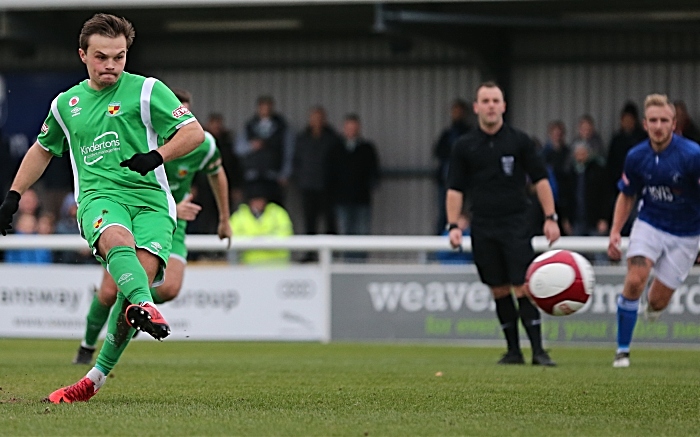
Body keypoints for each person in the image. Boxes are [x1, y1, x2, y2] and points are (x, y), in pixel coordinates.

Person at [0, 13, 205, 403]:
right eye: (101, 57)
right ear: (83, 55)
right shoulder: (67, 104)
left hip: (151, 203)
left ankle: (95, 377)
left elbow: (192, 132)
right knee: (117, 242)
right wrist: (13, 195)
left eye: (119, 57)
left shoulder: (147, 91)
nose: (110, 65)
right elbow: (42, 150)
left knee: (133, 283)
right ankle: (143, 307)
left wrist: (156, 156)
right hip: (99, 197)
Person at [72, 88, 232, 366]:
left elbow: (217, 173)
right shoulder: (141, 137)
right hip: (132, 216)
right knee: (109, 292)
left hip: (173, 222)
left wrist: (225, 219)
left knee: (169, 289)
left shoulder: (201, 144)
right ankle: (86, 347)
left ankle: (135, 308)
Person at [445, 81, 560, 366]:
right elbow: (455, 188)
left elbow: (540, 179)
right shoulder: (464, 146)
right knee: (498, 287)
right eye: (485, 101)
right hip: (483, 225)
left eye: (496, 100)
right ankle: (513, 351)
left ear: (504, 106)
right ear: (476, 107)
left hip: (516, 223)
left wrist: (550, 217)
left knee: (523, 286)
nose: (491, 106)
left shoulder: (520, 141)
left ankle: (539, 351)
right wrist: (453, 226)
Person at [608, 94, 700, 368]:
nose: (658, 125)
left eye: (664, 120)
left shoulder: (692, 156)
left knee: (657, 301)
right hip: (650, 224)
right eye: (653, 120)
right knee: (635, 279)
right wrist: (615, 231)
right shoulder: (636, 157)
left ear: (674, 123)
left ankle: (651, 307)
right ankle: (622, 351)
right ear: (644, 124)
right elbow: (627, 195)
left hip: (687, 234)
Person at [235, 95, 294, 206]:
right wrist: (252, 146)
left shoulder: (282, 126)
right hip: (253, 175)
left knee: (274, 207)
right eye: (263, 107)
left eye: (268, 107)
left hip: (273, 175)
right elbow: (238, 149)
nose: (265, 110)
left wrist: (285, 173)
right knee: (254, 208)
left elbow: (289, 151)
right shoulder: (250, 125)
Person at [328, 114, 380, 237]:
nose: (351, 131)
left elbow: (374, 170)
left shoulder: (367, 148)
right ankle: (347, 257)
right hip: (342, 198)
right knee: (345, 231)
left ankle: (361, 257)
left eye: (354, 128)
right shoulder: (335, 149)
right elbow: (329, 172)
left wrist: (371, 185)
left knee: (362, 231)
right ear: (344, 128)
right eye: (349, 127)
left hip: (362, 198)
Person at [293, 106, 340, 239]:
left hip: (328, 187)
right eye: (314, 118)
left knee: (330, 221)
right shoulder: (302, 138)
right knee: (310, 221)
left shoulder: (332, 139)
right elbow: (296, 160)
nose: (317, 121)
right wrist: (300, 178)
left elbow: (337, 163)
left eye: (319, 118)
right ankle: (310, 253)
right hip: (308, 186)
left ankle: (333, 253)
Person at [606, 102, 647, 236]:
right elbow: (611, 166)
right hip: (620, 189)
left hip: (640, 191)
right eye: (625, 119)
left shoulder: (642, 140)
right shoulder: (617, 140)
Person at [229, 182, 293, 265]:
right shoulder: (239, 216)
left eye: (260, 200)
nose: (257, 203)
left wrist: (263, 241)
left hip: (277, 265)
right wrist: (256, 240)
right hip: (249, 265)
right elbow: (232, 236)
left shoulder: (278, 213)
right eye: (254, 200)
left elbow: (286, 233)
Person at [433, 99, 471, 234]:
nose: (456, 114)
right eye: (454, 111)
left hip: (464, 181)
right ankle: (440, 250)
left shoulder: (469, 134)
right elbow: (437, 151)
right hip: (445, 181)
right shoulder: (447, 134)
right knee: (443, 214)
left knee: (462, 215)